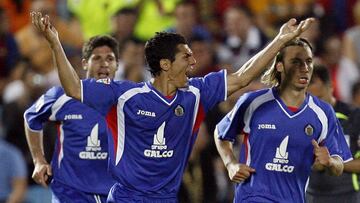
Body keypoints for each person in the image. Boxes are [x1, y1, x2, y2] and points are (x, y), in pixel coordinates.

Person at [31, 11, 314, 202]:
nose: (193, 62)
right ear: (165, 65)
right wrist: (55, 43)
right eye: (186, 57)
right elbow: (73, 88)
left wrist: (280, 40)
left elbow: (242, 77)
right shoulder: (122, 96)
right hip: (126, 198)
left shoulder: (195, 93)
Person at [214, 37, 352, 203]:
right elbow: (221, 133)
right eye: (296, 62)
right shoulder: (254, 102)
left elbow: (340, 164)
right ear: (280, 66)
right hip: (253, 197)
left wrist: (330, 162)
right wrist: (231, 165)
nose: (305, 68)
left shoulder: (323, 112)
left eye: (308, 61)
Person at [23, 35, 119, 203]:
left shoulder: (128, 100)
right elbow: (31, 117)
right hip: (69, 193)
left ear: (117, 65)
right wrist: (38, 159)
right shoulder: (61, 97)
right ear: (84, 64)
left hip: (114, 194)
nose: (104, 64)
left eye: (110, 58)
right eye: (97, 58)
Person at [306, 64, 360, 203]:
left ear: (330, 87)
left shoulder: (354, 116)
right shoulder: (301, 120)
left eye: (320, 98)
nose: (316, 105)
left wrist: (332, 162)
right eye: (310, 100)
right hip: (312, 196)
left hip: (348, 195)